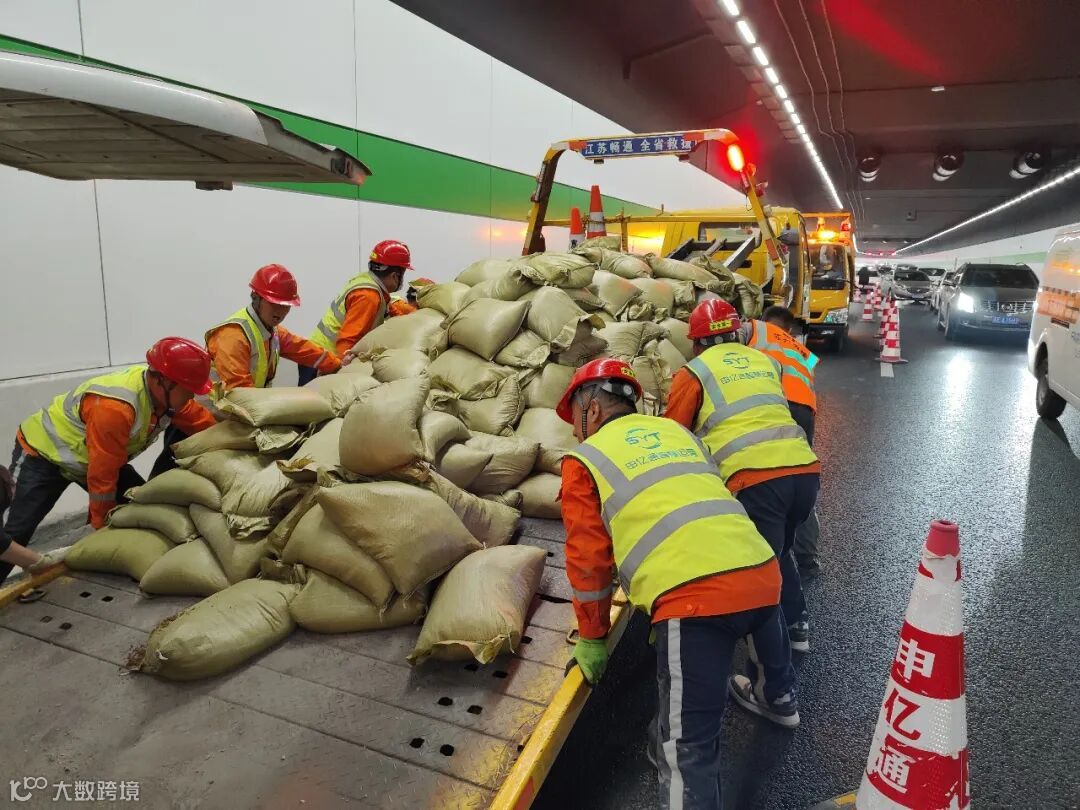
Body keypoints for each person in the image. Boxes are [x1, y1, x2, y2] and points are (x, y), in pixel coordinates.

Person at [558, 358, 798, 809]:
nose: (573, 430)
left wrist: (592, 635)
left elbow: (589, 561)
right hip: (761, 568)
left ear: (592, 409)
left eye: (574, 416)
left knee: (686, 749)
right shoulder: (678, 432)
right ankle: (778, 696)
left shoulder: (584, 459)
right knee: (759, 607)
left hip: (694, 602)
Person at [664, 300, 820, 652]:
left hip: (758, 481)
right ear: (738, 333)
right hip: (804, 474)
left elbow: (675, 435)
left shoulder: (694, 373)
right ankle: (796, 626)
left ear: (696, 343)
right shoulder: (765, 362)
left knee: (757, 573)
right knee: (778, 552)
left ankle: (772, 671)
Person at [1, 338, 217, 583]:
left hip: (93, 457)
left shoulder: (166, 399)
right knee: (13, 533)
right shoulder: (116, 407)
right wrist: (101, 527)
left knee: (141, 504)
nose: (191, 396)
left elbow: (201, 422)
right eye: (188, 389)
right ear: (163, 381)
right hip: (43, 456)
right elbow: (102, 477)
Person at [149, 264, 340, 476]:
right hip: (197, 421)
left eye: (285, 305)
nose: (280, 311)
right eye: (274, 303)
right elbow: (238, 389)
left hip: (229, 420)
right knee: (170, 473)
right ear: (256, 298)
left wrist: (337, 364)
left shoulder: (272, 332)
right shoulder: (233, 335)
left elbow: (304, 350)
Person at [300, 240, 418, 382]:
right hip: (324, 359)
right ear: (394, 275)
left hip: (317, 354)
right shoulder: (369, 296)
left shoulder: (367, 283)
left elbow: (388, 309)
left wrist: (415, 315)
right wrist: (343, 371)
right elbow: (347, 339)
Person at [761, 305, 822, 574]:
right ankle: (807, 558)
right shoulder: (803, 352)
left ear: (764, 321)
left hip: (774, 403)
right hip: (805, 410)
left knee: (764, 474)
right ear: (789, 330)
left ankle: (768, 553)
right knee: (798, 473)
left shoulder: (757, 334)